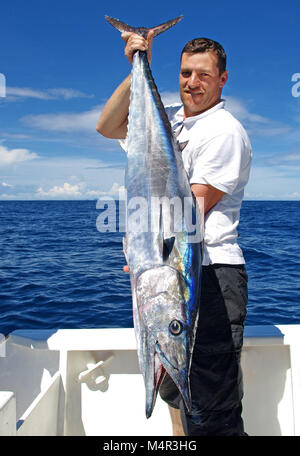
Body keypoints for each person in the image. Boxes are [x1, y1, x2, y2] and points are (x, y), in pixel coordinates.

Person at [96, 30, 252, 436]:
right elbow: (107, 125)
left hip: (211, 275)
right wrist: (137, 64)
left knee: (211, 406)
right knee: (174, 389)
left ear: (223, 79)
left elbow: (189, 212)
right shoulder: (168, 119)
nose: (192, 82)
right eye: (185, 73)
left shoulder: (224, 132)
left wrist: (147, 255)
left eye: (204, 74)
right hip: (165, 267)